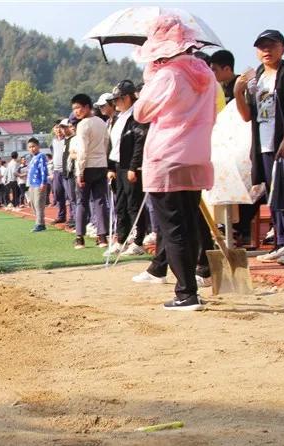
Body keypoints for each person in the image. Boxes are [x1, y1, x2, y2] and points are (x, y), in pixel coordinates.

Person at [133, 14, 217, 311]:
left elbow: (140, 113)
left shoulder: (168, 75)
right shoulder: (206, 74)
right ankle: (191, 285)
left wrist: (150, 80)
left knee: (173, 226)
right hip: (195, 155)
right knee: (189, 221)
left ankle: (186, 293)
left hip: (167, 155)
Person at [235, 29, 284, 265]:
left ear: (283, 48)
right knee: (273, 194)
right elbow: (248, 115)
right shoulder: (256, 77)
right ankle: (281, 242)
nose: (266, 50)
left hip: (283, 141)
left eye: (272, 45)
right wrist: (238, 91)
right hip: (264, 144)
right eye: (262, 46)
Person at [104, 80, 149, 257]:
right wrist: (110, 167)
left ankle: (138, 240)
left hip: (131, 166)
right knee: (120, 204)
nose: (116, 103)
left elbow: (139, 143)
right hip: (117, 164)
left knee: (134, 204)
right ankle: (121, 239)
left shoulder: (137, 116)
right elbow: (111, 144)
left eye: (119, 99)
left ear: (130, 97)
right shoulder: (117, 118)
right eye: (114, 100)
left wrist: (134, 166)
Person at [71, 93, 110, 249]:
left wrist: (80, 172)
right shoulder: (102, 122)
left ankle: (79, 237)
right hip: (101, 165)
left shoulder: (83, 125)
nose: (76, 112)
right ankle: (102, 238)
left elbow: (82, 151)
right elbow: (107, 143)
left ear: (87, 107)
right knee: (100, 201)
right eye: (74, 109)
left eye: (78, 108)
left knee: (82, 202)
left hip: (86, 167)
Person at [26, 138, 49, 231]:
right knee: (33, 204)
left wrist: (43, 182)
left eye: (33, 146)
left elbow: (44, 170)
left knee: (38, 203)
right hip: (32, 184)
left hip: (39, 183)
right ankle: (40, 223)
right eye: (30, 147)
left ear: (38, 146)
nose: (32, 149)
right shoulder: (32, 158)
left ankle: (39, 223)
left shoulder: (41, 156)